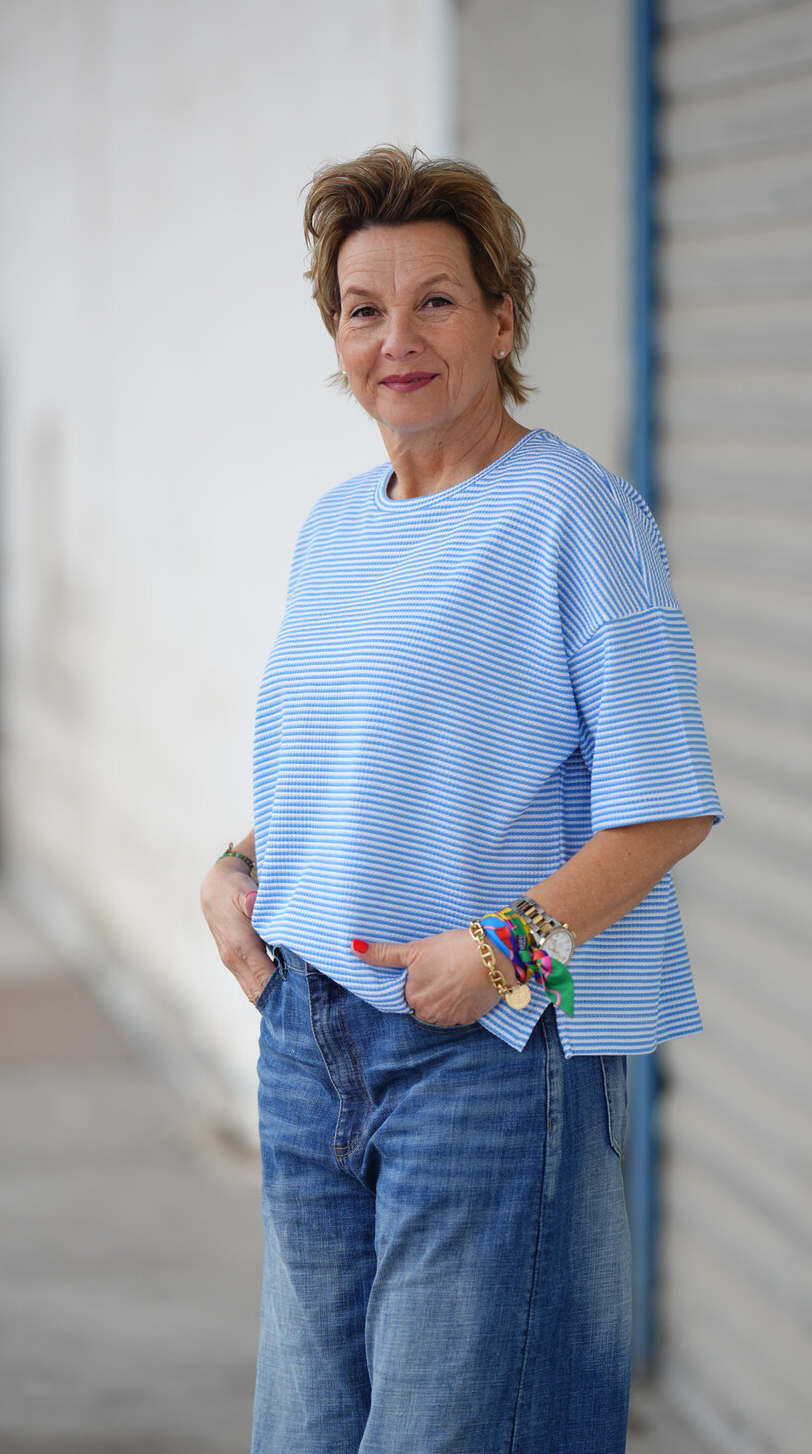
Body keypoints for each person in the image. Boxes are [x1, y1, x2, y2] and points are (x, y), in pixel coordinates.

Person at [199, 145, 720, 1454]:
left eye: (435, 300)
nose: (399, 340)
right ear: (335, 338)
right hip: (307, 1035)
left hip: (481, 1051)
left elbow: (665, 804)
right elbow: (360, 762)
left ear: (502, 316)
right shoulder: (338, 524)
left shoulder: (573, 516)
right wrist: (239, 866)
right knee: (306, 1431)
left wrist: (502, 956)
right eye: (363, 309)